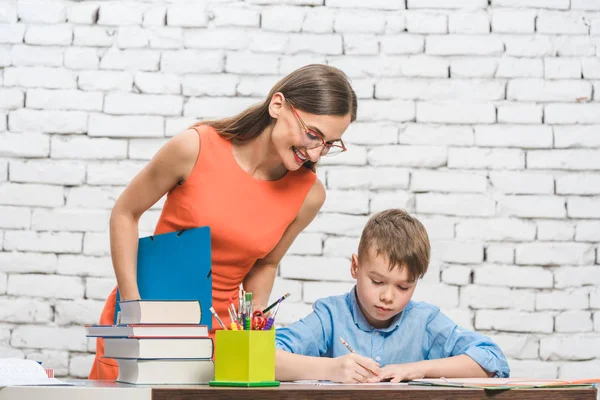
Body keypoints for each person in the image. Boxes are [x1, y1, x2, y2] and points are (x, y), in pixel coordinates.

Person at [88, 64, 358, 380]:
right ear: (277, 105)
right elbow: (125, 212)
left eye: (328, 144)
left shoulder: (309, 194)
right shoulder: (195, 147)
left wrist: (252, 327)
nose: (315, 154)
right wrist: (133, 308)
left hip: (219, 339)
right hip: (147, 322)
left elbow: (266, 264)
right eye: (312, 134)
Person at [275, 209, 510, 383]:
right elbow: (265, 358)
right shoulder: (331, 317)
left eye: (403, 287)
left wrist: (416, 369)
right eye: (377, 281)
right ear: (355, 267)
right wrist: (330, 369)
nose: (388, 296)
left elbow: (491, 360)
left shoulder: (425, 321)